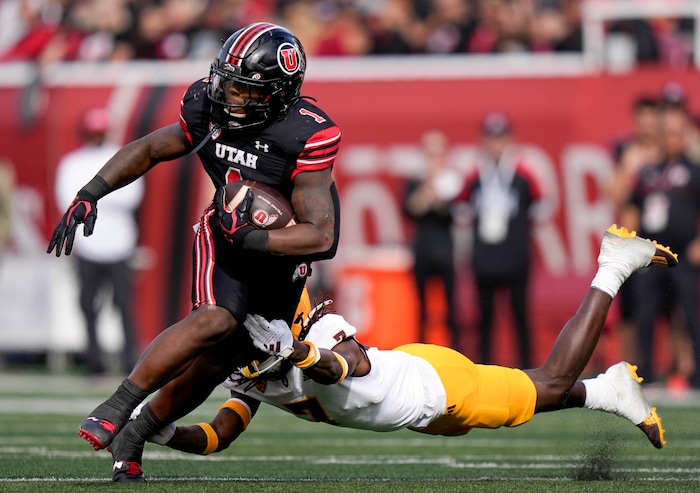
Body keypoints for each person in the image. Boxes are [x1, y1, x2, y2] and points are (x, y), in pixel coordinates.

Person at [45, 22, 341, 481]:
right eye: (229, 81)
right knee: (217, 317)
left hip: (279, 254)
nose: (229, 95)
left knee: (216, 363)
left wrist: (257, 239)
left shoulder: (304, 133)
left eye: (245, 89)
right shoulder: (207, 105)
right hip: (223, 234)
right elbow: (150, 148)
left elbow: (322, 237)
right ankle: (117, 406)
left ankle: (136, 434)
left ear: (279, 93)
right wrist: (92, 191)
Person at [140, 225, 675, 469]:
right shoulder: (250, 365)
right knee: (531, 393)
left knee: (549, 383)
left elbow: (345, 365)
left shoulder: (315, 333)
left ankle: (614, 263)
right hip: (420, 407)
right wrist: (161, 431)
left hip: (437, 389)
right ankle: (608, 390)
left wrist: (300, 356)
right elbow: (219, 435)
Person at [53, 108, 144, 375]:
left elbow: (132, 197)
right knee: (88, 305)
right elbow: (66, 200)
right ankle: (96, 364)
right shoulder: (72, 162)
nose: (97, 137)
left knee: (124, 305)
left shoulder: (122, 156)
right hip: (88, 245)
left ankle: (131, 362)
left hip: (120, 244)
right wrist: (101, 199)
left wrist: (91, 198)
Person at [459, 111, 549, 368]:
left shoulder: (523, 173)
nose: (496, 145)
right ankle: (484, 370)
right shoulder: (475, 174)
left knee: (520, 315)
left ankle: (528, 371)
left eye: (501, 138)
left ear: (510, 140)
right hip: (484, 259)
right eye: (491, 138)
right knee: (484, 318)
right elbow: (461, 208)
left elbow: (542, 208)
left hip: (516, 257)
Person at [620, 103, 700, 387]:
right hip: (651, 253)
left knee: (689, 313)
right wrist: (628, 244)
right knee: (645, 311)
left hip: (682, 252)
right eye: (666, 133)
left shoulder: (693, 170)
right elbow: (632, 207)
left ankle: (695, 375)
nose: (671, 139)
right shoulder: (648, 172)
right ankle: (648, 374)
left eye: (676, 133)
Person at [607, 95, 661, 365]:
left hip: (662, 239)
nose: (647, 126)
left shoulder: (668, 153)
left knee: (669, 310)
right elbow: (615, 197)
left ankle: (677, 369)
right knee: (628, 309)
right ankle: (628, 366)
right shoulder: (628, 154)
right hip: (632, 241)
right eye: (642, 120)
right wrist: (631, 169)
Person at [403, 129, 462, 350]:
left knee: (451, 309)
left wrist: (435, 192)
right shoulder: (416, 181)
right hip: (423, 250)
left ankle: (456, 351)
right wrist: (431, 189)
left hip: (445, 251)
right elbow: (412, 207)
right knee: (422, 309)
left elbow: (455, 210)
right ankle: (421, 352)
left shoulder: (453, 180)